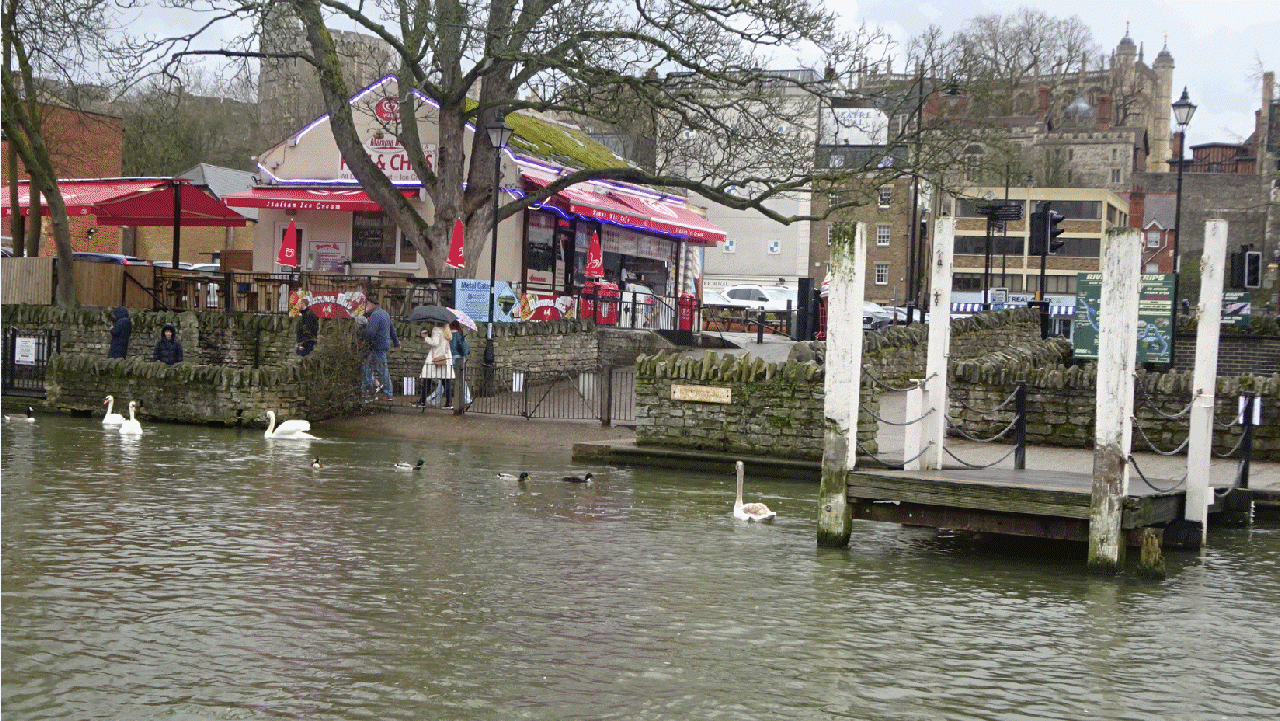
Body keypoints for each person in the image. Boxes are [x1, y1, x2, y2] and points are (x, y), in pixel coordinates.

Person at [358, 296, 399, 400]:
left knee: (378, 370)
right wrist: (396, 343)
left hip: (376, 346)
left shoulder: (375, 315)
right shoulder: (385, 314)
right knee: (368, 368)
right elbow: (392, 329)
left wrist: (366, 343)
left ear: (371, 305)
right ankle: (369, 390)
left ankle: (385, 393)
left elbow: (371, 333)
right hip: (382, 345)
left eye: (367, 304)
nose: (366, 306)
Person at [415, 323, 452, 408]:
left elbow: (435, 343)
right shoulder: (447, 331)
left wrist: (426, 337)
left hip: (435, 359)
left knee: (427, 380)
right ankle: (449, 403)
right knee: (445, 382)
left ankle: (422, 402)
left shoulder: (436, 329)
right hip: (444, 359)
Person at [444, 320, 471, 409]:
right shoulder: (460, 334)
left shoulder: (447, 335)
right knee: (461, 379)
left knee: (445, 379)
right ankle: (467, 398)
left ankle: (434, 398)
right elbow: (464, 348)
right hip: (460, 359)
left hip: (450, 358)